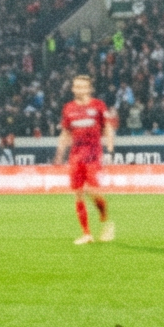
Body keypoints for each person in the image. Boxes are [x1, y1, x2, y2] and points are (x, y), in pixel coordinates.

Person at [55, 74, 115, 244]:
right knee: (78, 193)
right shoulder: (68, 108)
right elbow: (66, 132)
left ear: (89, 89)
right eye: (76, 86)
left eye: (82, 86)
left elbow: (107, 127)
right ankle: (87, 234)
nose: (78, 89)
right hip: (76, 154)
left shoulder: (98, 105)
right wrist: (59, 152)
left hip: (93, 153)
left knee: (92, 190)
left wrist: (110, 149)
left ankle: (106, 221)